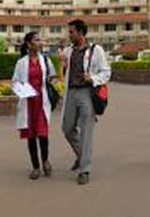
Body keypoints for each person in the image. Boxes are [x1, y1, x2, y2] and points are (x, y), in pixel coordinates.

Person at [61, 19, 111, 186]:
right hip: (71, 93)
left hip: (86, 93)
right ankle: (81, 156)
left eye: (71, 32)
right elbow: (64, 74)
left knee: (86, 132)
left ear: (81, 33)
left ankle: (84, 170)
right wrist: (63, 65)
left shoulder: (96, 50)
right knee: (67, 128)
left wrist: (93, 78)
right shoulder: (68, 51)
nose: (69, 35)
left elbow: (106, 72)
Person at [11, 31, 57, 180]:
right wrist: (22, 90)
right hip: (28, 102)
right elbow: (15, 82)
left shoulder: (46, 60)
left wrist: (54, 80)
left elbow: (53, 77)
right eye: (37, 40)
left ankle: (45, 161)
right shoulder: (21, 62)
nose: (40, 42)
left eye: (40, 40)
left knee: (43, 134)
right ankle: (35, 167)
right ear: (29, 44)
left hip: (42, 101)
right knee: (31, 136)